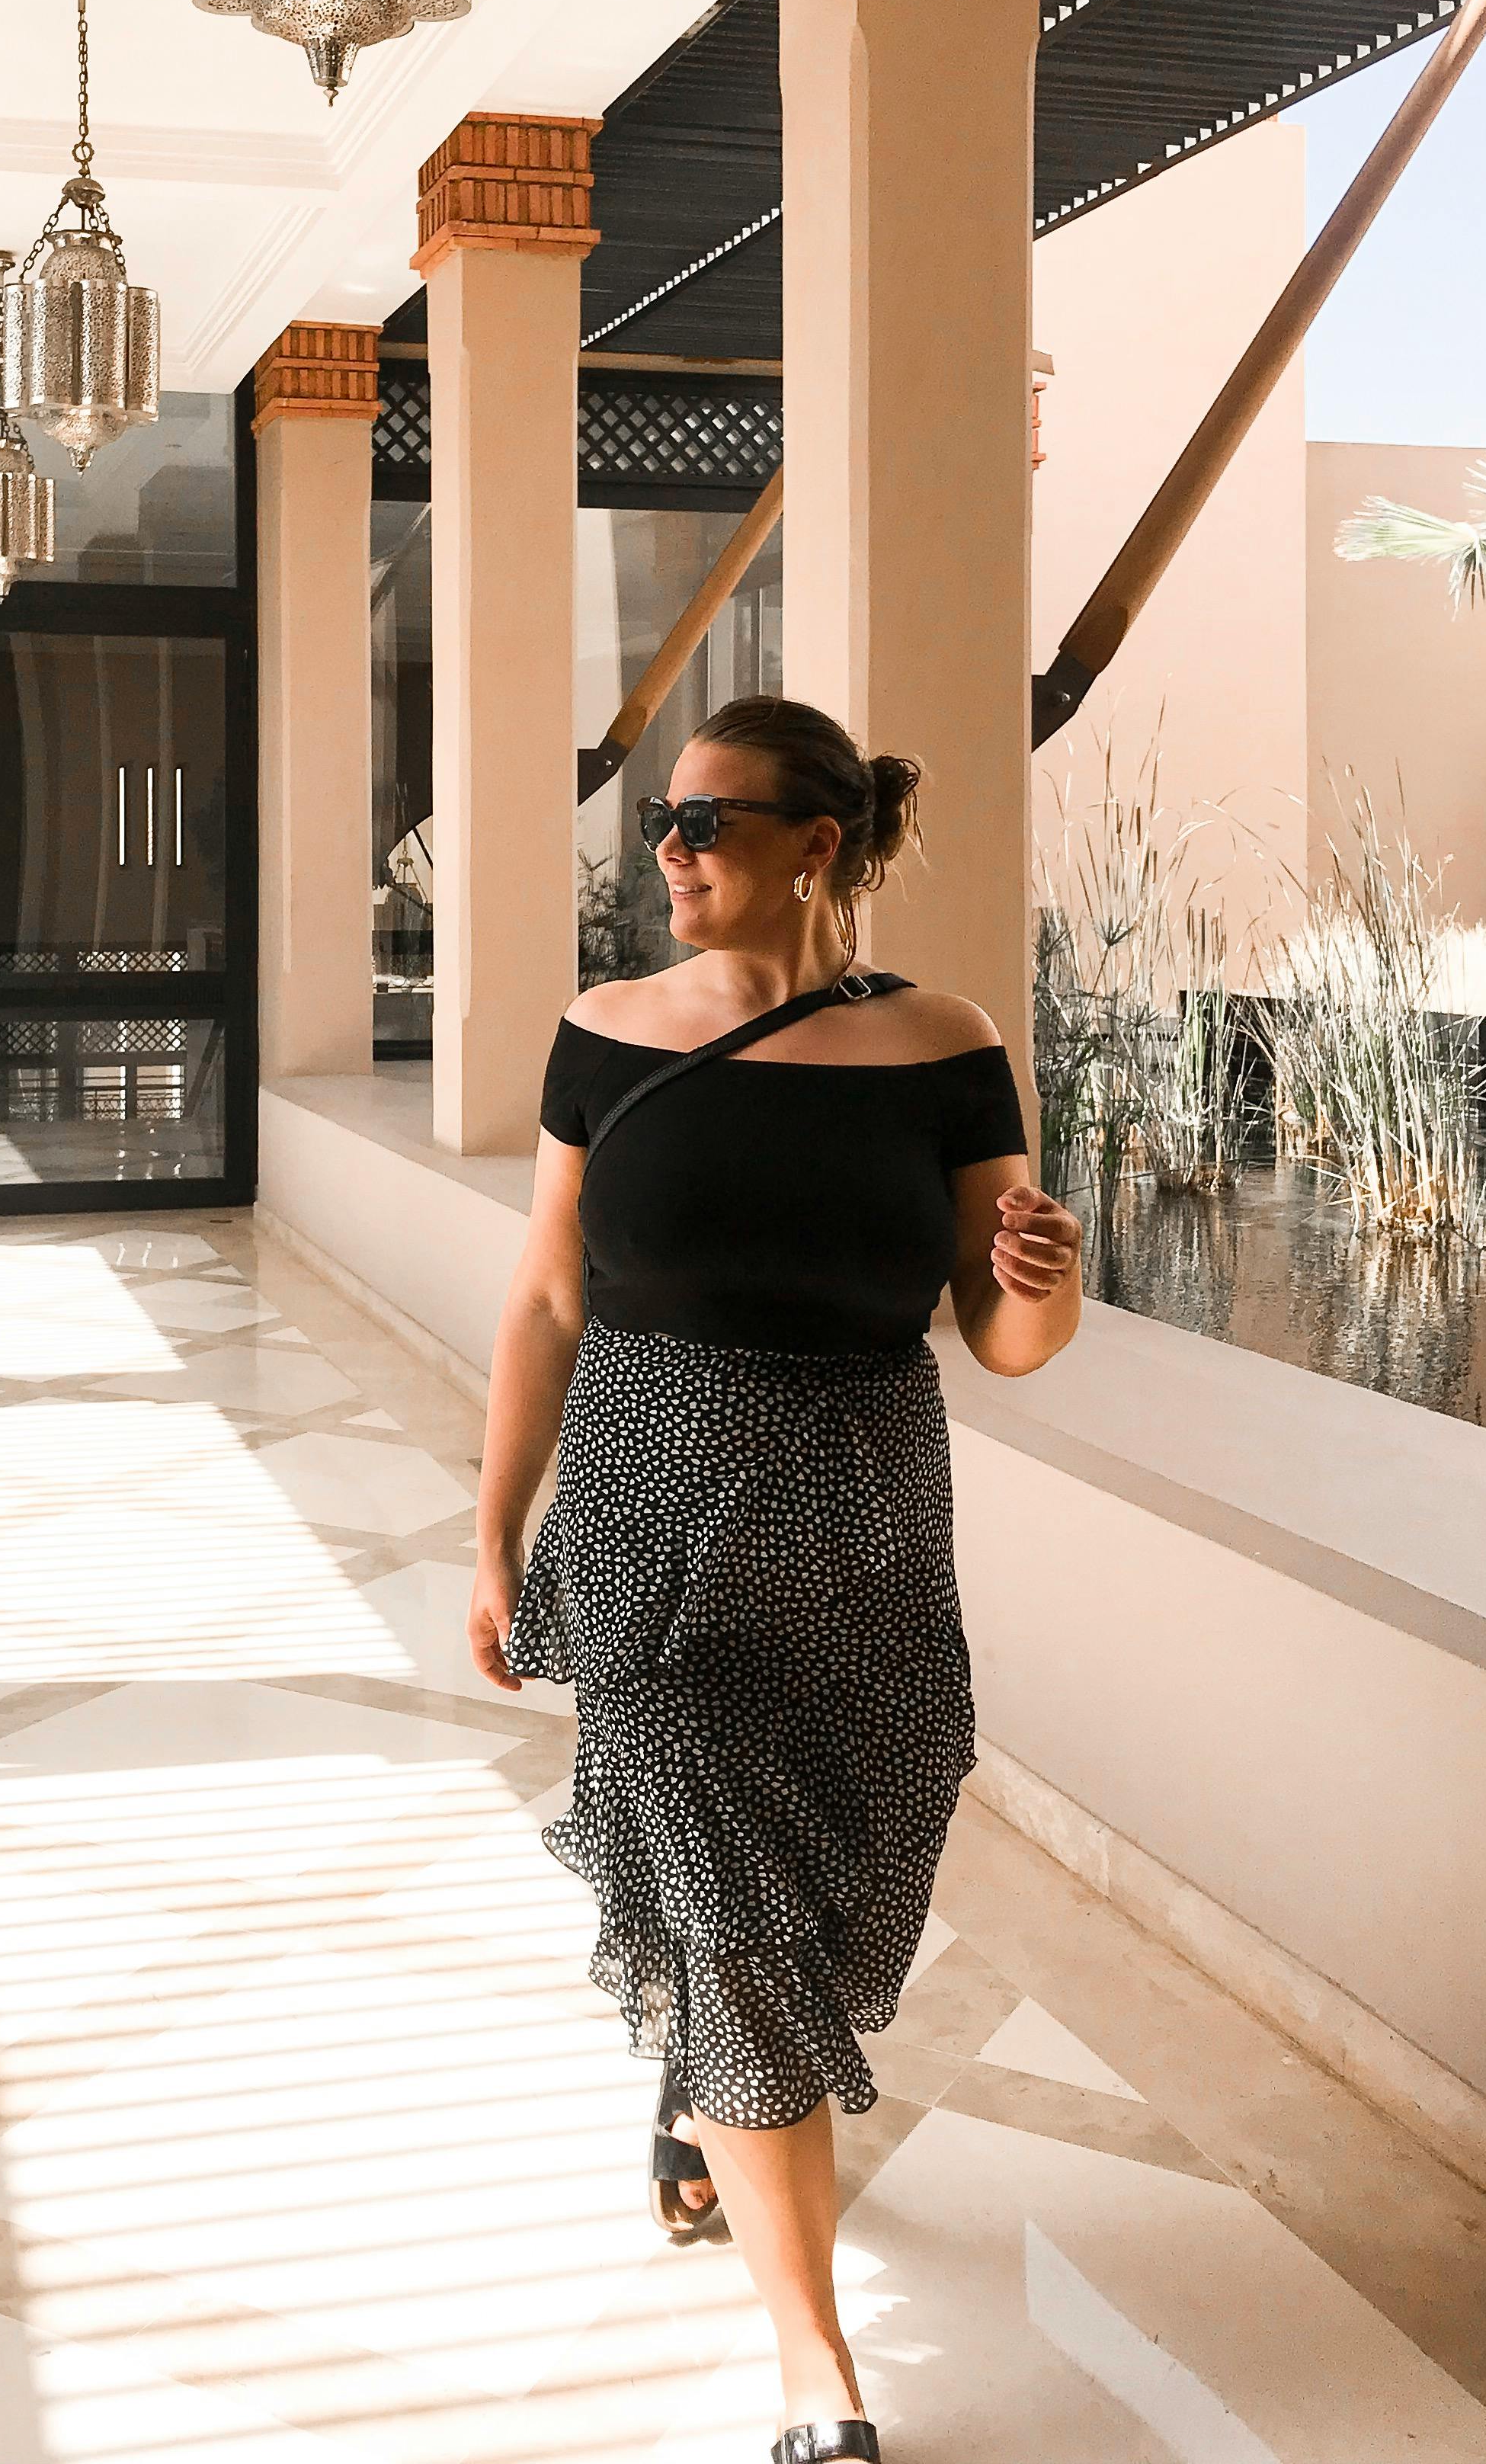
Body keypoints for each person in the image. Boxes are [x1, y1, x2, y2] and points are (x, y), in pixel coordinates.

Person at [466, 695, 1082, 2464]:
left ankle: (698, 2080)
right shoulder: (601, 1034)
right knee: (735, 1932)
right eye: (662, 820)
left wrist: (1045, 1273)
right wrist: (494, 1537)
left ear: (816, 849)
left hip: (867, 1528)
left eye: (707, 824)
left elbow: (1005, 1331)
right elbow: (548, 1299)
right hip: (656, 1523)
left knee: (852, 1862)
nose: (667, 850)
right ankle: (819, 2372)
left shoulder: (947, 1046)